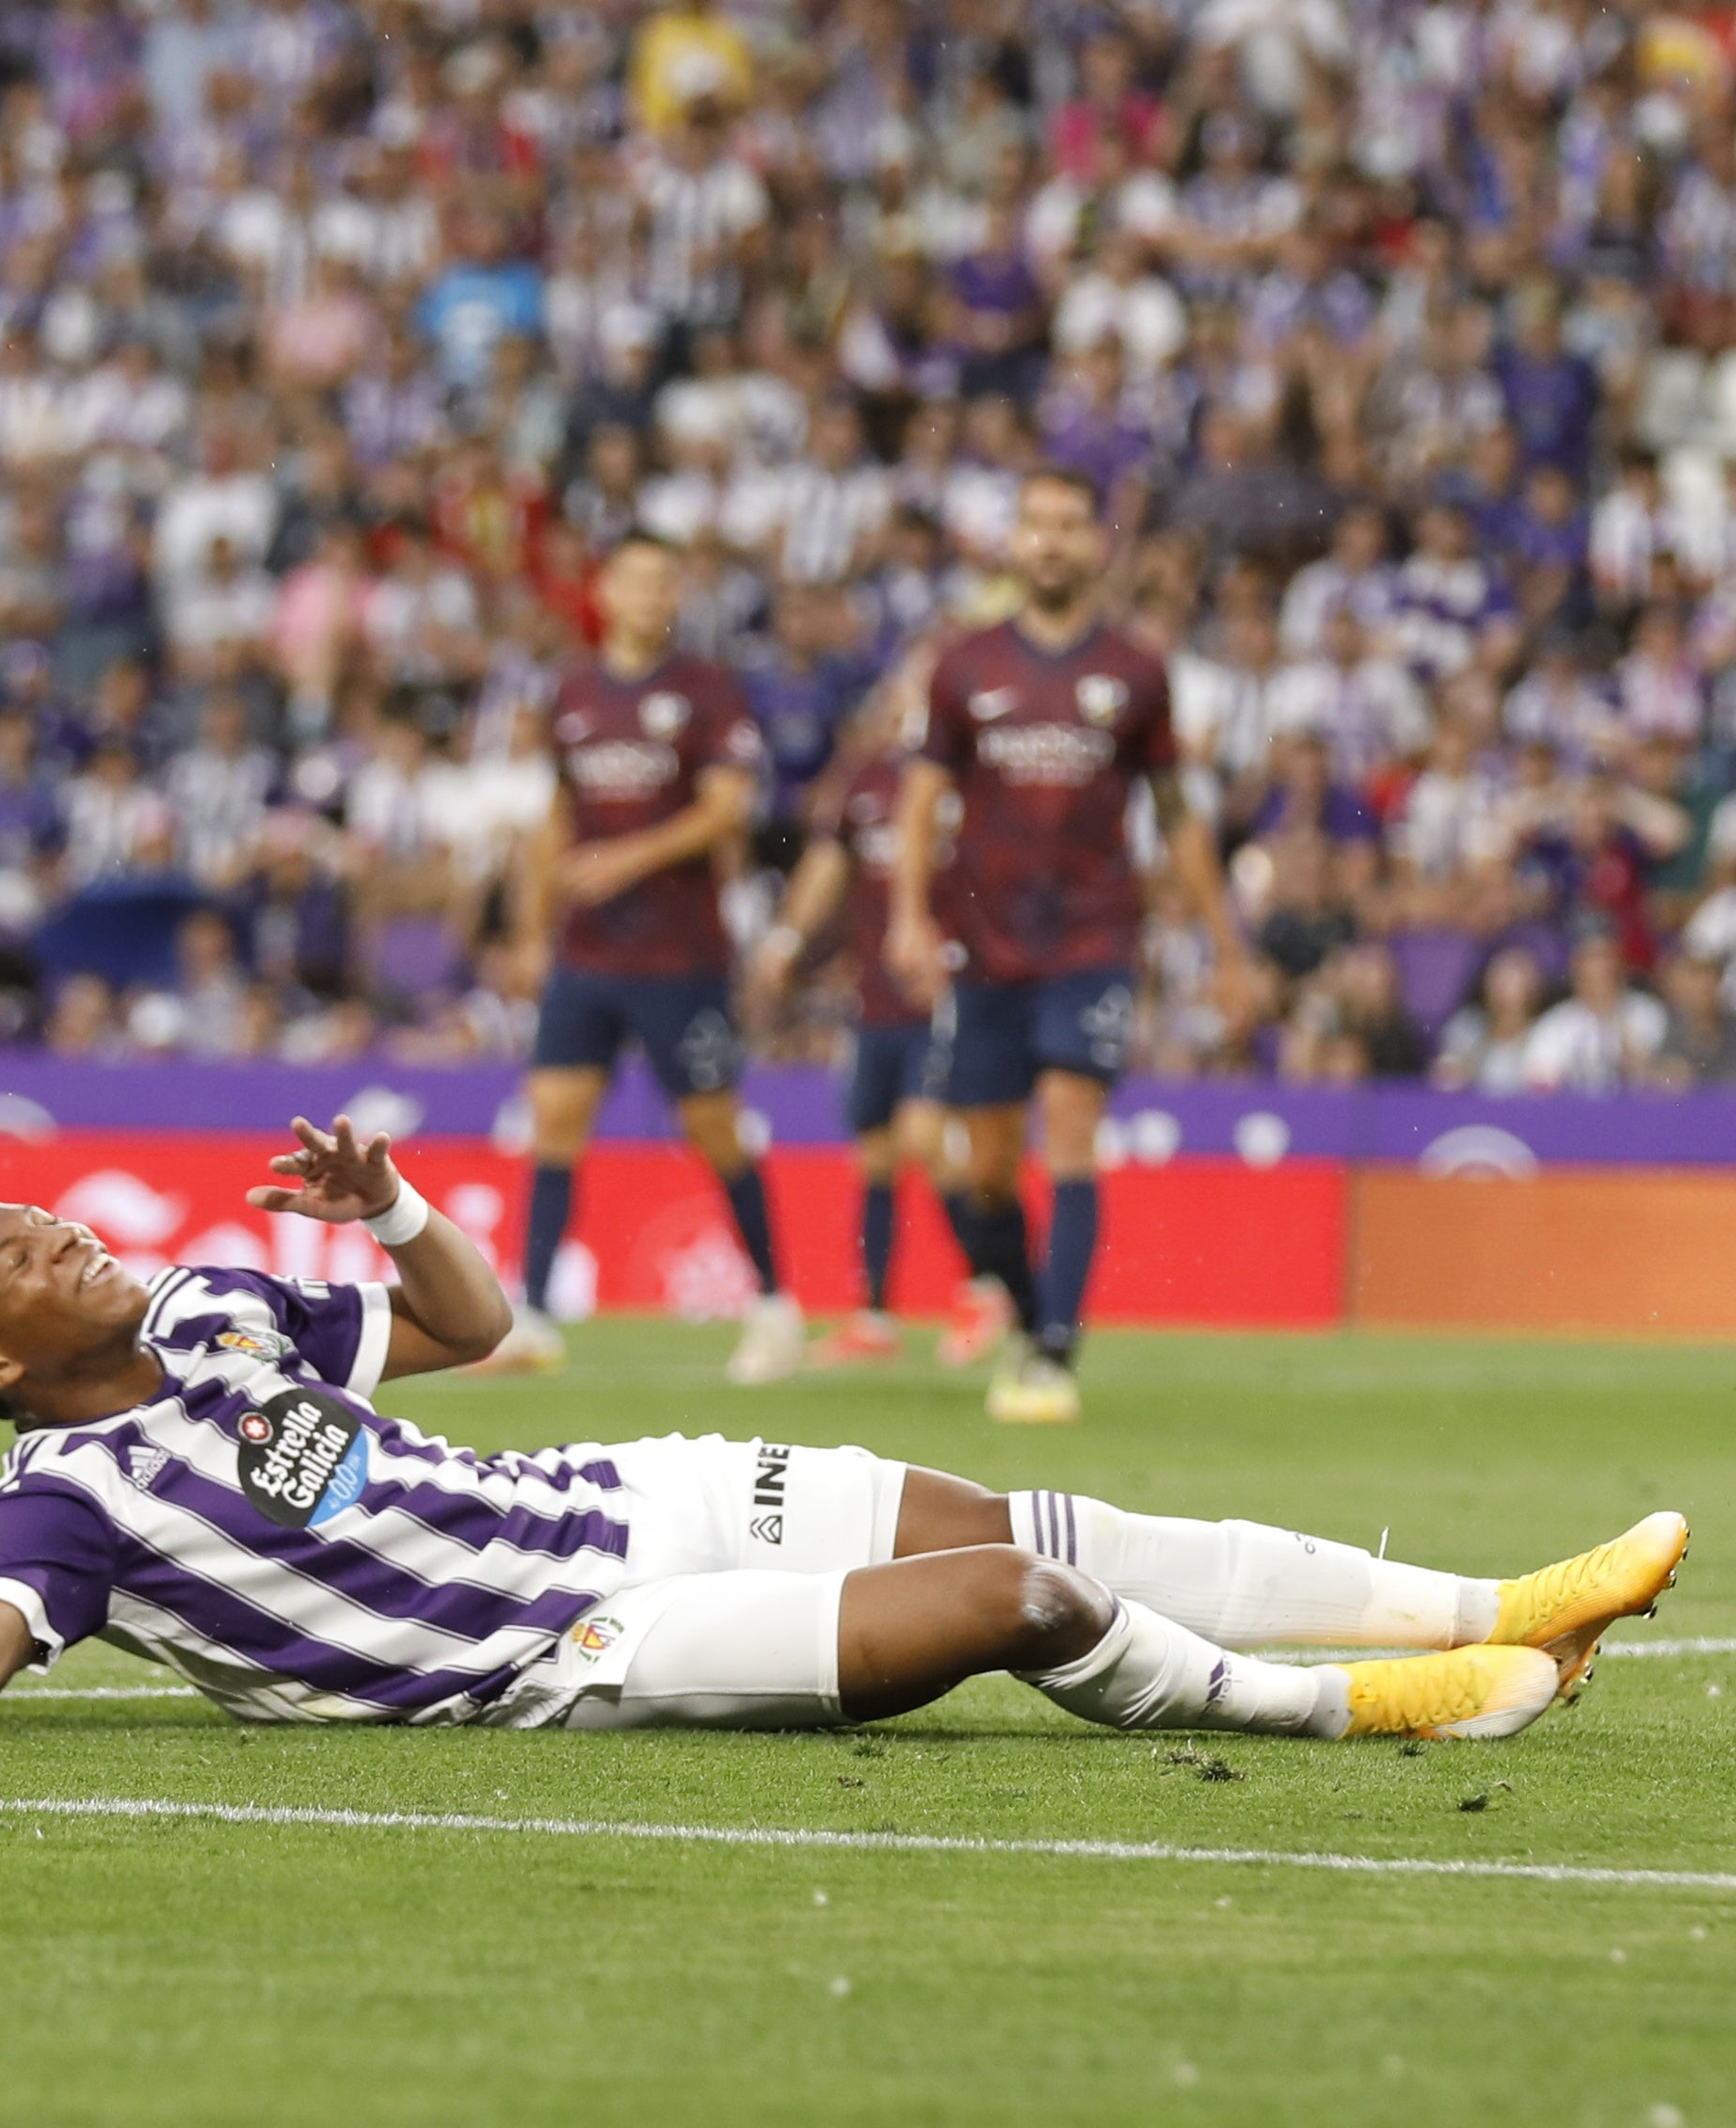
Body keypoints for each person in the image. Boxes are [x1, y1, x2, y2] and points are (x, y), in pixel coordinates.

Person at [0, 1122, 1688, 1744]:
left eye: (36, 1209)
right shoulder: (62, 1495)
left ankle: (1500, 1595)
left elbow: (479, 1330)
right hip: (569, 1657)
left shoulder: (217, 1303)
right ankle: (1366, 1704)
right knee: (1010, 1592)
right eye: (14, 1249)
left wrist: (398, 1205)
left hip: (621, 1493)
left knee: (1052, 1510)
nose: (57, 1226)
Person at [889, 472, 1253, 1423]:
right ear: (1012, 540)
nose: (1049, 541)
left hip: (1092, 934)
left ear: (1094, 543)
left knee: (1072, 1125)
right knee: (983, 1167)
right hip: (983, 937)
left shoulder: (1135, 670)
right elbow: (922, 797)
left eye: (1066, 524)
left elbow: (1173, 813)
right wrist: (905, 914)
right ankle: (1023, 1308)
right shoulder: (962, 664)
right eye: (1034, 524)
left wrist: (1225, 945)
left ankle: (1053, 1353)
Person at [509, 534, 806, 1385]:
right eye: (634, 577)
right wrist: (534, 929)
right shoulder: (570, 691)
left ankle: (776, 1305)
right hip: (587, 952)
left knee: (712, 1125)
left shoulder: (706, 692)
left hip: (679, 953)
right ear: (602, 587)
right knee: (556, 1114)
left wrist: (624, 859)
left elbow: (727, 811)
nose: (650, 593)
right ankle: (532, 1312)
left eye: (663, 581)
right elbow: (558, 816)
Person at [748, 662, 1007, 1369]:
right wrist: (785, 941)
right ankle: (875, 1316)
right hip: (876, 996)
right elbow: (827, 868)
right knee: (877, 1155)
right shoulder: (864, 782)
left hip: (948, 990)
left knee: (925, 1135)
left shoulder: (973, 779)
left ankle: (988, 1286)